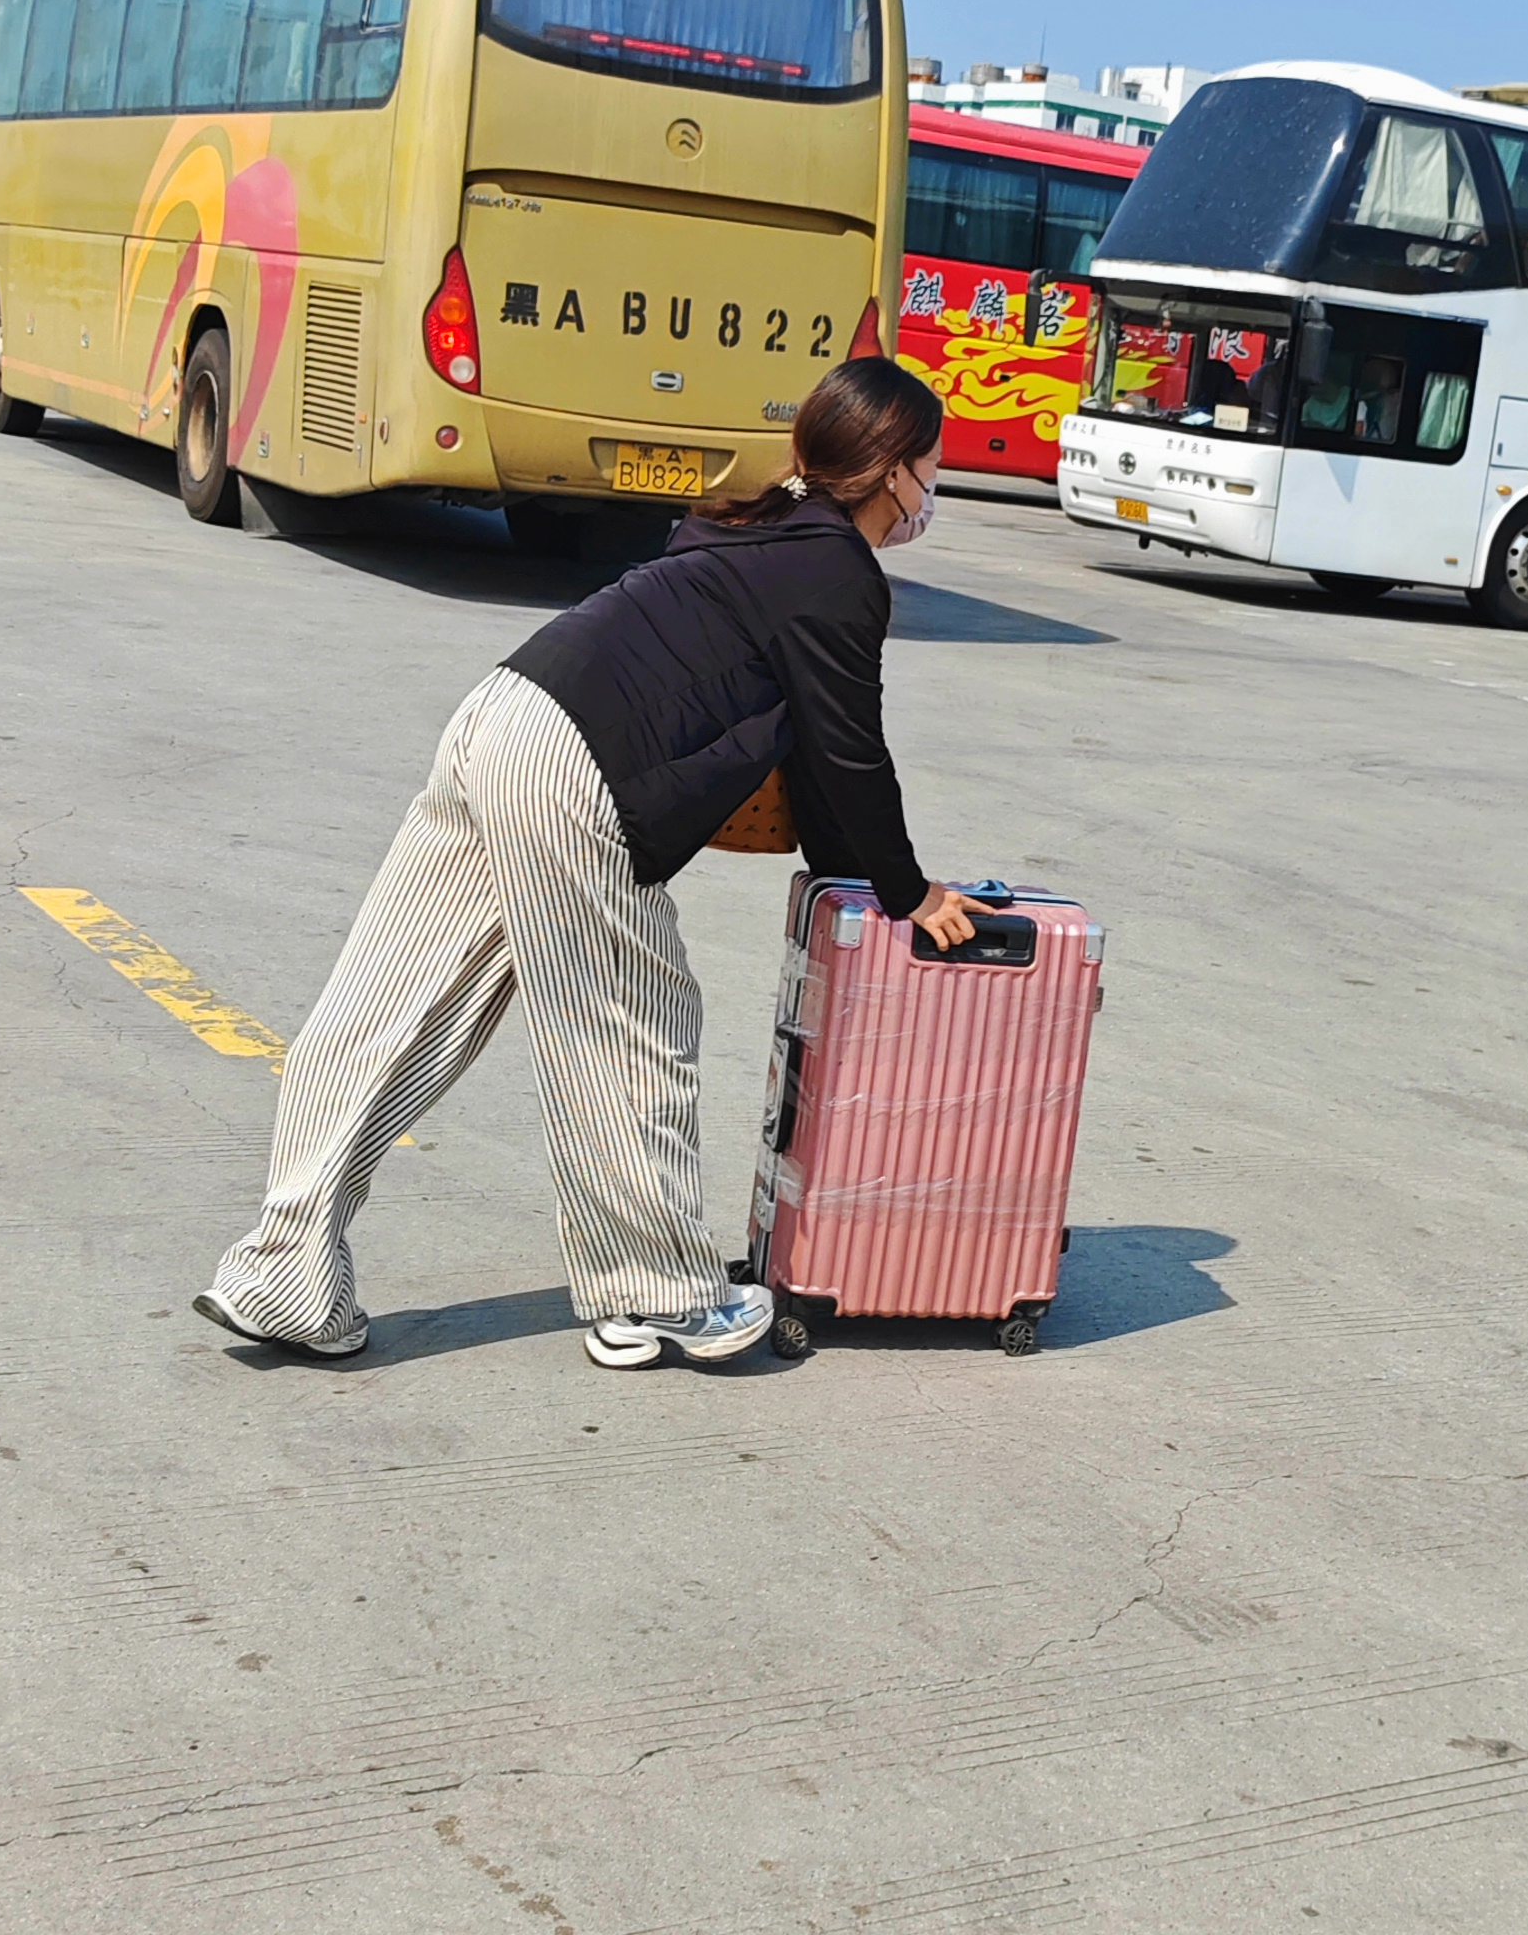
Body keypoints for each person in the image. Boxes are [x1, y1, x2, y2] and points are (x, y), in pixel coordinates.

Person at [193, 357, 981, 1371]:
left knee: (388, 1003)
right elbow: (846, 753)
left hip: (502, 712)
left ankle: (281, 1269)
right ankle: (653, 1293)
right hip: (573, 769)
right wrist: (908, 895)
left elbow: (816, 768)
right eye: (932, 464)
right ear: (893, 474)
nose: (933, 488)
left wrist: (849, 881)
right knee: (634, 1018)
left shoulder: (760, 528)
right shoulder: (836, 572)